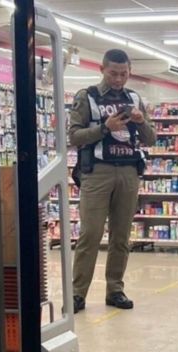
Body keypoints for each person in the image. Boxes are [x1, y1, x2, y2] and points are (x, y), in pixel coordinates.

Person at [68, 49, 156, 313]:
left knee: (121, 236)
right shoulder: (87, 97)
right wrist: (104, 128)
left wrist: (140, 123)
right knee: (90, 234)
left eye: (124, 73)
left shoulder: (134, 98)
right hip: (97, 172)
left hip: (128, 171)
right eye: (114, 73)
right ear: (102, 69)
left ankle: (115, 290)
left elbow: (150, 139)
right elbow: (74, 136)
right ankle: (77, 293)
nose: (119, 79)